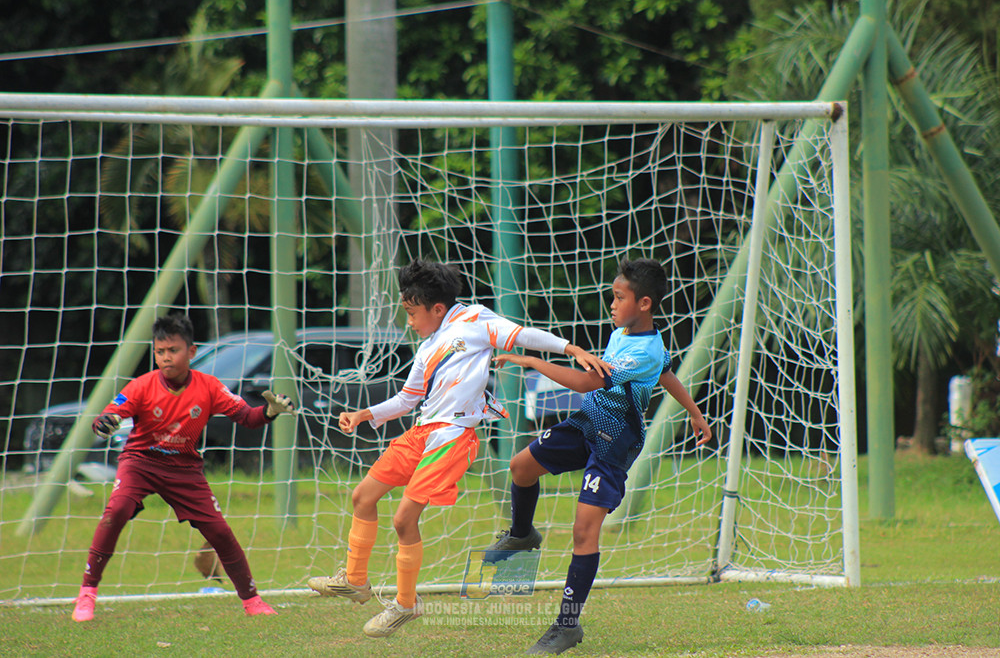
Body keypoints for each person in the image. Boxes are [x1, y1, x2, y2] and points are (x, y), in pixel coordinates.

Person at [307, 259, 610, 638]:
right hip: (420, 433)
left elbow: (524, 334)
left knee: (403, 519)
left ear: (436, 308)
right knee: (362, 497)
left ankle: (405, 604)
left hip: (453, 437)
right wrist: (364, 413)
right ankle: (355, 580)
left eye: (413, 313)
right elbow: (406, 399)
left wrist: (571, 348)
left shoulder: (475, 320)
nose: (410, 322)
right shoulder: (426, 347)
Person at [486, 258, 712, 655]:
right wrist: (695, 413)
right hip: (588, 420)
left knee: (583, 530)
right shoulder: (625, 332)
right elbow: (667, 374)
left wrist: (533, 362)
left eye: (618, 297)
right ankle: (522, 534)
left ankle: (566, 625)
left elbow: (589, 379)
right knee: (521, 466)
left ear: (644, 303)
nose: (611, 303)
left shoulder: (644, 349)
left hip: (615, 441)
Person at [71, 313, 295, 622]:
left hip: (184, 469)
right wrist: (105, 423)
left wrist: (269, 412)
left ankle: (252, 600)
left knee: (219, 531)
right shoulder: (141, 386)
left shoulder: (209, 387)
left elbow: (248, 418)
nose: (166, 358)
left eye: (173, 350)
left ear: (190, 351)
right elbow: (107, 417)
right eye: (160, 351)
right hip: (140, 463)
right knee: (117, 511)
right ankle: (87, 594)